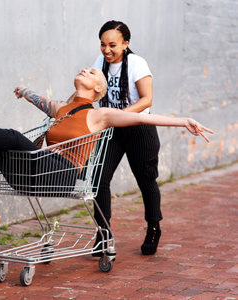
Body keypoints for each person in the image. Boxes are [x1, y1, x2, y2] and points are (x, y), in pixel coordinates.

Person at [0, 68, 213, 236]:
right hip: (36, 171)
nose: (85, 70)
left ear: (98, 88)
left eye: (91, 73)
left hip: (61, 175)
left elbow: (143, 117)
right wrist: (23, 90)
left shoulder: (100, 114)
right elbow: (40, 101)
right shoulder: (62, 109)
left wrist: (184, 121)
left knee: (11, 137)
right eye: (84, 69)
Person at [91, 20, 164, 255]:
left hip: (139, 128)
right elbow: (87, 92)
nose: (106, 50)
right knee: (98, 179)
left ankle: (153, 227)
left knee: (146, 180)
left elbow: (146, 99)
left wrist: (117, 115)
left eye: (112, 45)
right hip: (112, 130)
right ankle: (103, 233)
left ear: (125, 43)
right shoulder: (99, 63)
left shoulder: (136, 63)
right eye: (103, 45)